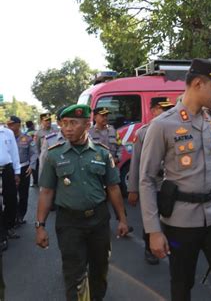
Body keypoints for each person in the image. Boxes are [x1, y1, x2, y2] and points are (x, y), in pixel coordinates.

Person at [139, 58, 211, 301]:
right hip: (180, 222)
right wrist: (153, 231)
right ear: (198, 83)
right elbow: (146, 179)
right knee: (181, 284)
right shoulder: (162, 125)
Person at [35, 104, 129, 301]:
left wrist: (122, 219)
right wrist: (40, 225)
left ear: (87, 124)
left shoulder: (102, 153)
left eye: (73, 123)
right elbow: (46, 191)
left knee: (99, 270)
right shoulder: (54, 154)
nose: (67, 128)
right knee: (74, 274)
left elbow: (113, 188)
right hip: (69, 223)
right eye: (64, 123)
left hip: (99, 221)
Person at [128, 97, 174, 265]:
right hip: (153, 185)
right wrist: (133, 189)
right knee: (152, 217)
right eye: (164, 109)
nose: (168, 112)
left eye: (170, 108)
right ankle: (149, 248)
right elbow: (135, 163)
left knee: (170, 218)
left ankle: (169, 245)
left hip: (170, 185)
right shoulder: (143, 133)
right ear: (153, 110)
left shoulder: (176, 129)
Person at [6, 116, 38, 226]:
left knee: (23, 194)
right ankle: (11, 217)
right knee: (10, 194)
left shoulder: (27, 138)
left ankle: (20, 215)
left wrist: (32, 165)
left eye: (11, 124)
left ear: (18, 125)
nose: (8, 127)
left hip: (24, 168)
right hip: (10, 170)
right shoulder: (5, 138)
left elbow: (34, 153)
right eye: (8, 124)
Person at [0, 123, 20, 250]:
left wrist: (17, 172)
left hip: (7, 170)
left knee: (11, 200)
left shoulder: (7, 132)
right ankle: (2, 236)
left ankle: (9, 227)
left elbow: (14, 152)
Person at [39, 107, 68, 175]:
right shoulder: (49, 139)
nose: (69, 124)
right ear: (58, 123)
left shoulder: (84, 138)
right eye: (65, 121)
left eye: (73, 121)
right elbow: (43, 163)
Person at [34, 113, 56, 186]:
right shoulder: (38, 133)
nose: (48, 122)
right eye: (46, 120)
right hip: (44, 156)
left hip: (55, 155)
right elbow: (36, 147)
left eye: (49, 120)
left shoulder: (56, 130)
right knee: (43, 175)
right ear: (41, 122)